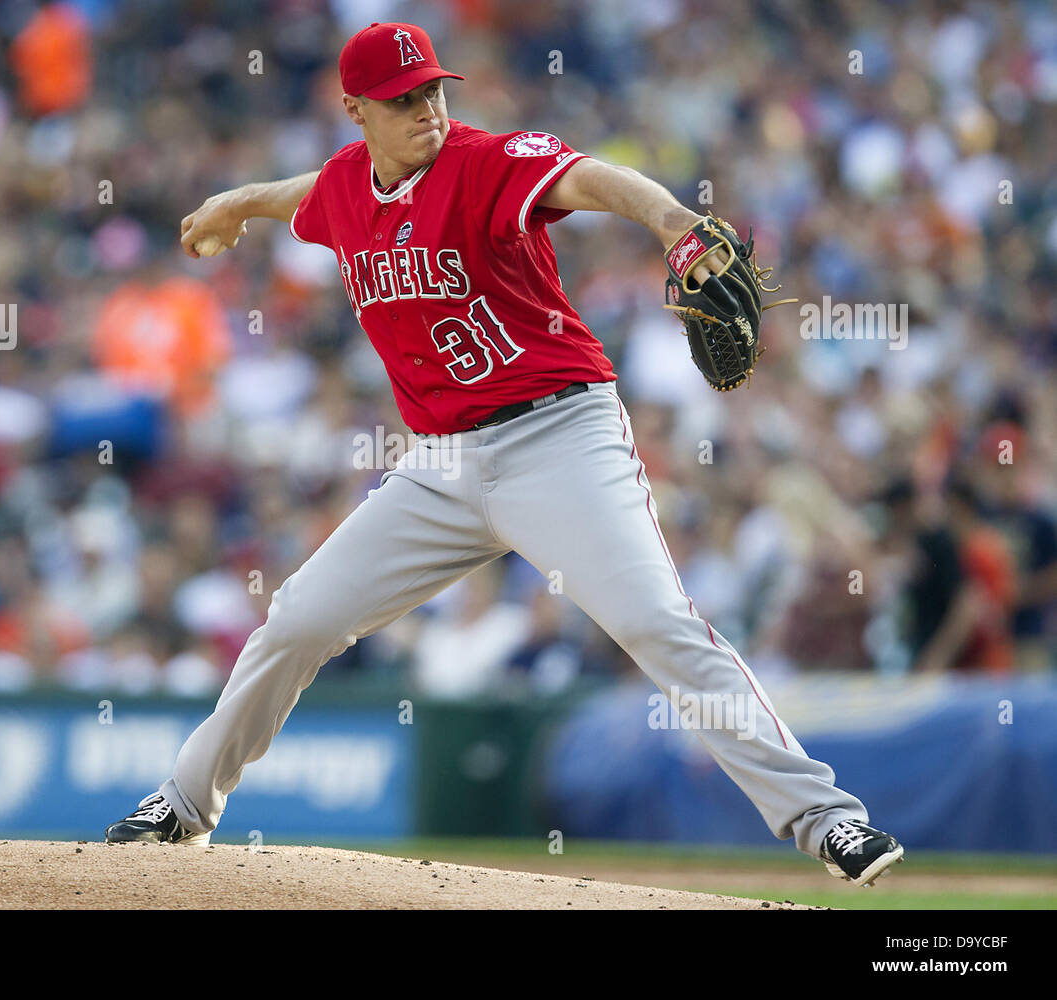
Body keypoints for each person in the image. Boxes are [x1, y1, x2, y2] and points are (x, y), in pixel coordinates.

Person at [105, 22, 904, 886]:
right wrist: (235, 202)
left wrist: (671, 219)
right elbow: (308, 192)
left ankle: (826, 818)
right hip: (440, 466)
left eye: (433, 89)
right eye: (403, 99)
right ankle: (183, 807)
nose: (426, 109)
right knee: (298, 618)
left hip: (559, 438)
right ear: (357, 111)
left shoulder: (484, 161)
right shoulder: (344, 186)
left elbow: (589, 175)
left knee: (656, 624)